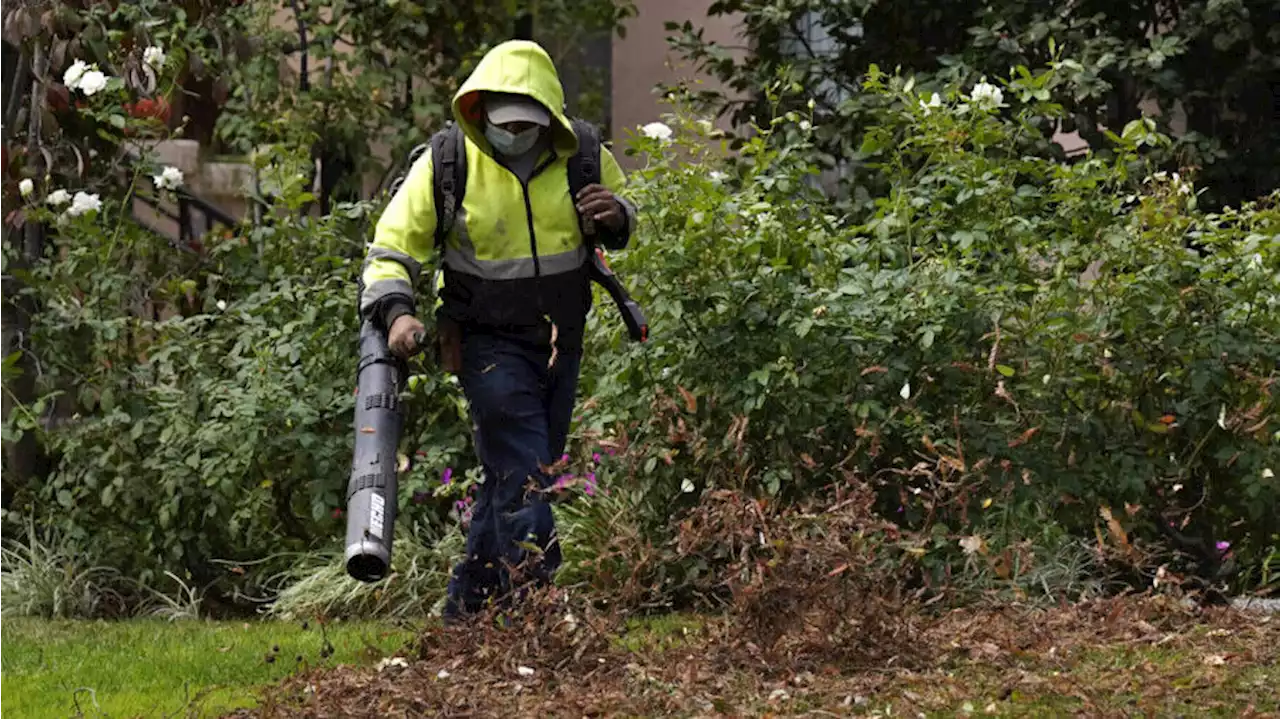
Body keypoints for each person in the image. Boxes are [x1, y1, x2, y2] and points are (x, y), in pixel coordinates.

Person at [358, 40, 637, 623]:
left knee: (521, 471)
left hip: (562, 340)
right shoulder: (448, 161)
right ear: (479, 110)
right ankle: (534, 608)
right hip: (484, 343)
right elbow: (391, 249)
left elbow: (626, 214)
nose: (516, 133)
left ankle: (467, 613)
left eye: (528, 125)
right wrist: (398, 313)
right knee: (529, 472)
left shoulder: (583, 155)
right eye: (505, 123)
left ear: (548, 121)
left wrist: (617, 216)